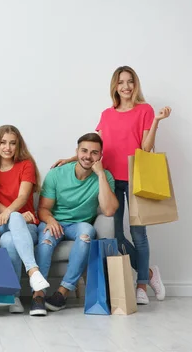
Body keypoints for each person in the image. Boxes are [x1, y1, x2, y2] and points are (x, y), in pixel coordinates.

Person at [52, 65, 172, 304]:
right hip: (110, 178)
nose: (125, 86)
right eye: (121, 82)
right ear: (114, 87)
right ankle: (148, 272)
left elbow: (146, 148)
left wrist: (157, 121)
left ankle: (141, 286)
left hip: (136, 177)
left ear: (135, 84)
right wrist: (72, 157)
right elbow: (98, 147)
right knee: (115, 236)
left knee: (139, 234)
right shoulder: (107, 114)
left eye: (130, 81)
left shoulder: (145, 110)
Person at [34, 133, 118, 315]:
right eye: (84, 151)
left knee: (87, 232)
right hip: (54, 221)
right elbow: (43, 209)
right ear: (77, 152)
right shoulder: (57, 173)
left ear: (100, 156)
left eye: (94, 153)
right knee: (47, 240)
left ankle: (62, 293)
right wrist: (51, 220)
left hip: (79, 225)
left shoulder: (105, 177)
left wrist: (101, 174)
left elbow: (109, 211)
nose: (88, 156)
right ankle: (38, 294)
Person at [0, 125, 50, 315]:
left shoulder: (26, 164)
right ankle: (33, 272)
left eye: (13, 143)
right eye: (3, 142)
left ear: (18, 145)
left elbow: (22, 197)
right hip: (0, 223)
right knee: (9, 226)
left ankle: (14, 296)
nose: (8, 147)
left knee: (8, 240)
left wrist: (15, 216)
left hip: (25, 226)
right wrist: (15, 215)